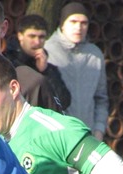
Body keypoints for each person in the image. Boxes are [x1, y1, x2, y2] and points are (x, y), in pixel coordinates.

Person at [44, 2, 107, 139]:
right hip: (56, 136)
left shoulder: (95, 55)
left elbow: (101, 98)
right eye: (73, 21)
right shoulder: (48, 51)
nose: (78, 27)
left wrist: (99, 130)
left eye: (83, 23)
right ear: (62, 24)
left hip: (88, 136)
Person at [3, 14, 71, 110]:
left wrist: (45, 71)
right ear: (20, 36)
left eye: (41, 37)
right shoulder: (7, 61)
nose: (37, 42)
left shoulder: (48, 68)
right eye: (32, 36)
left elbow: (63, 102)